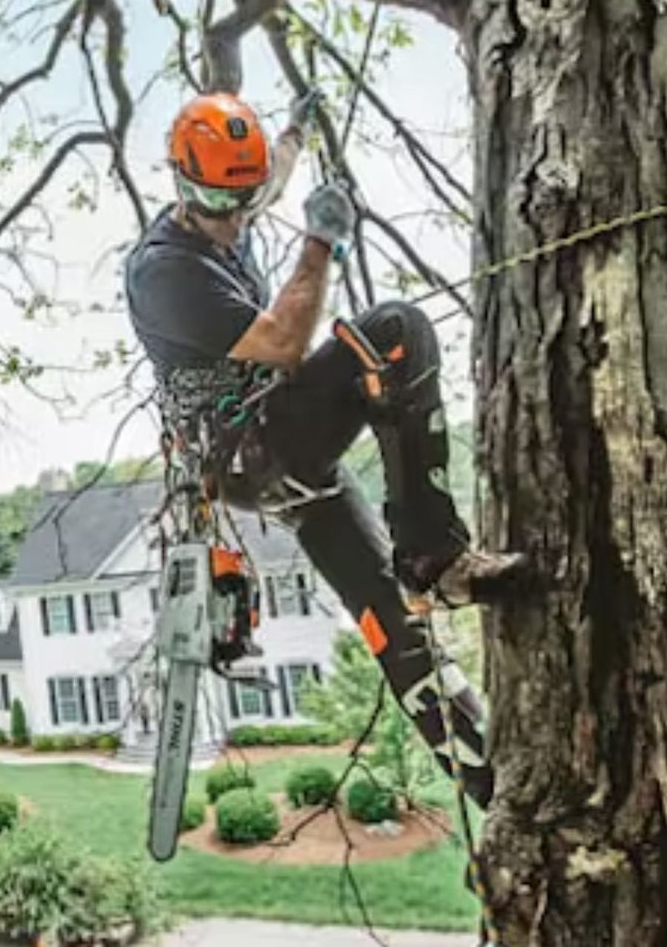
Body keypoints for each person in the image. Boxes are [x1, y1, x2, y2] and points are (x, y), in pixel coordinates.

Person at [125, 90, 529, 811]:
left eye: (243, 202)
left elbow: (268, 177)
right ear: (182, 185)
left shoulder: (233, 200)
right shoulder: (165, 272)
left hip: (282, 457)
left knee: (391, 624)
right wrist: (322, 243)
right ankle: (437, 558)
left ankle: (494, 794)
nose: (235, 219)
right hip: (252, 448)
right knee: (395, 331)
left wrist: (297, 130)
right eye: (219, 203)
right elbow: (283, 346)